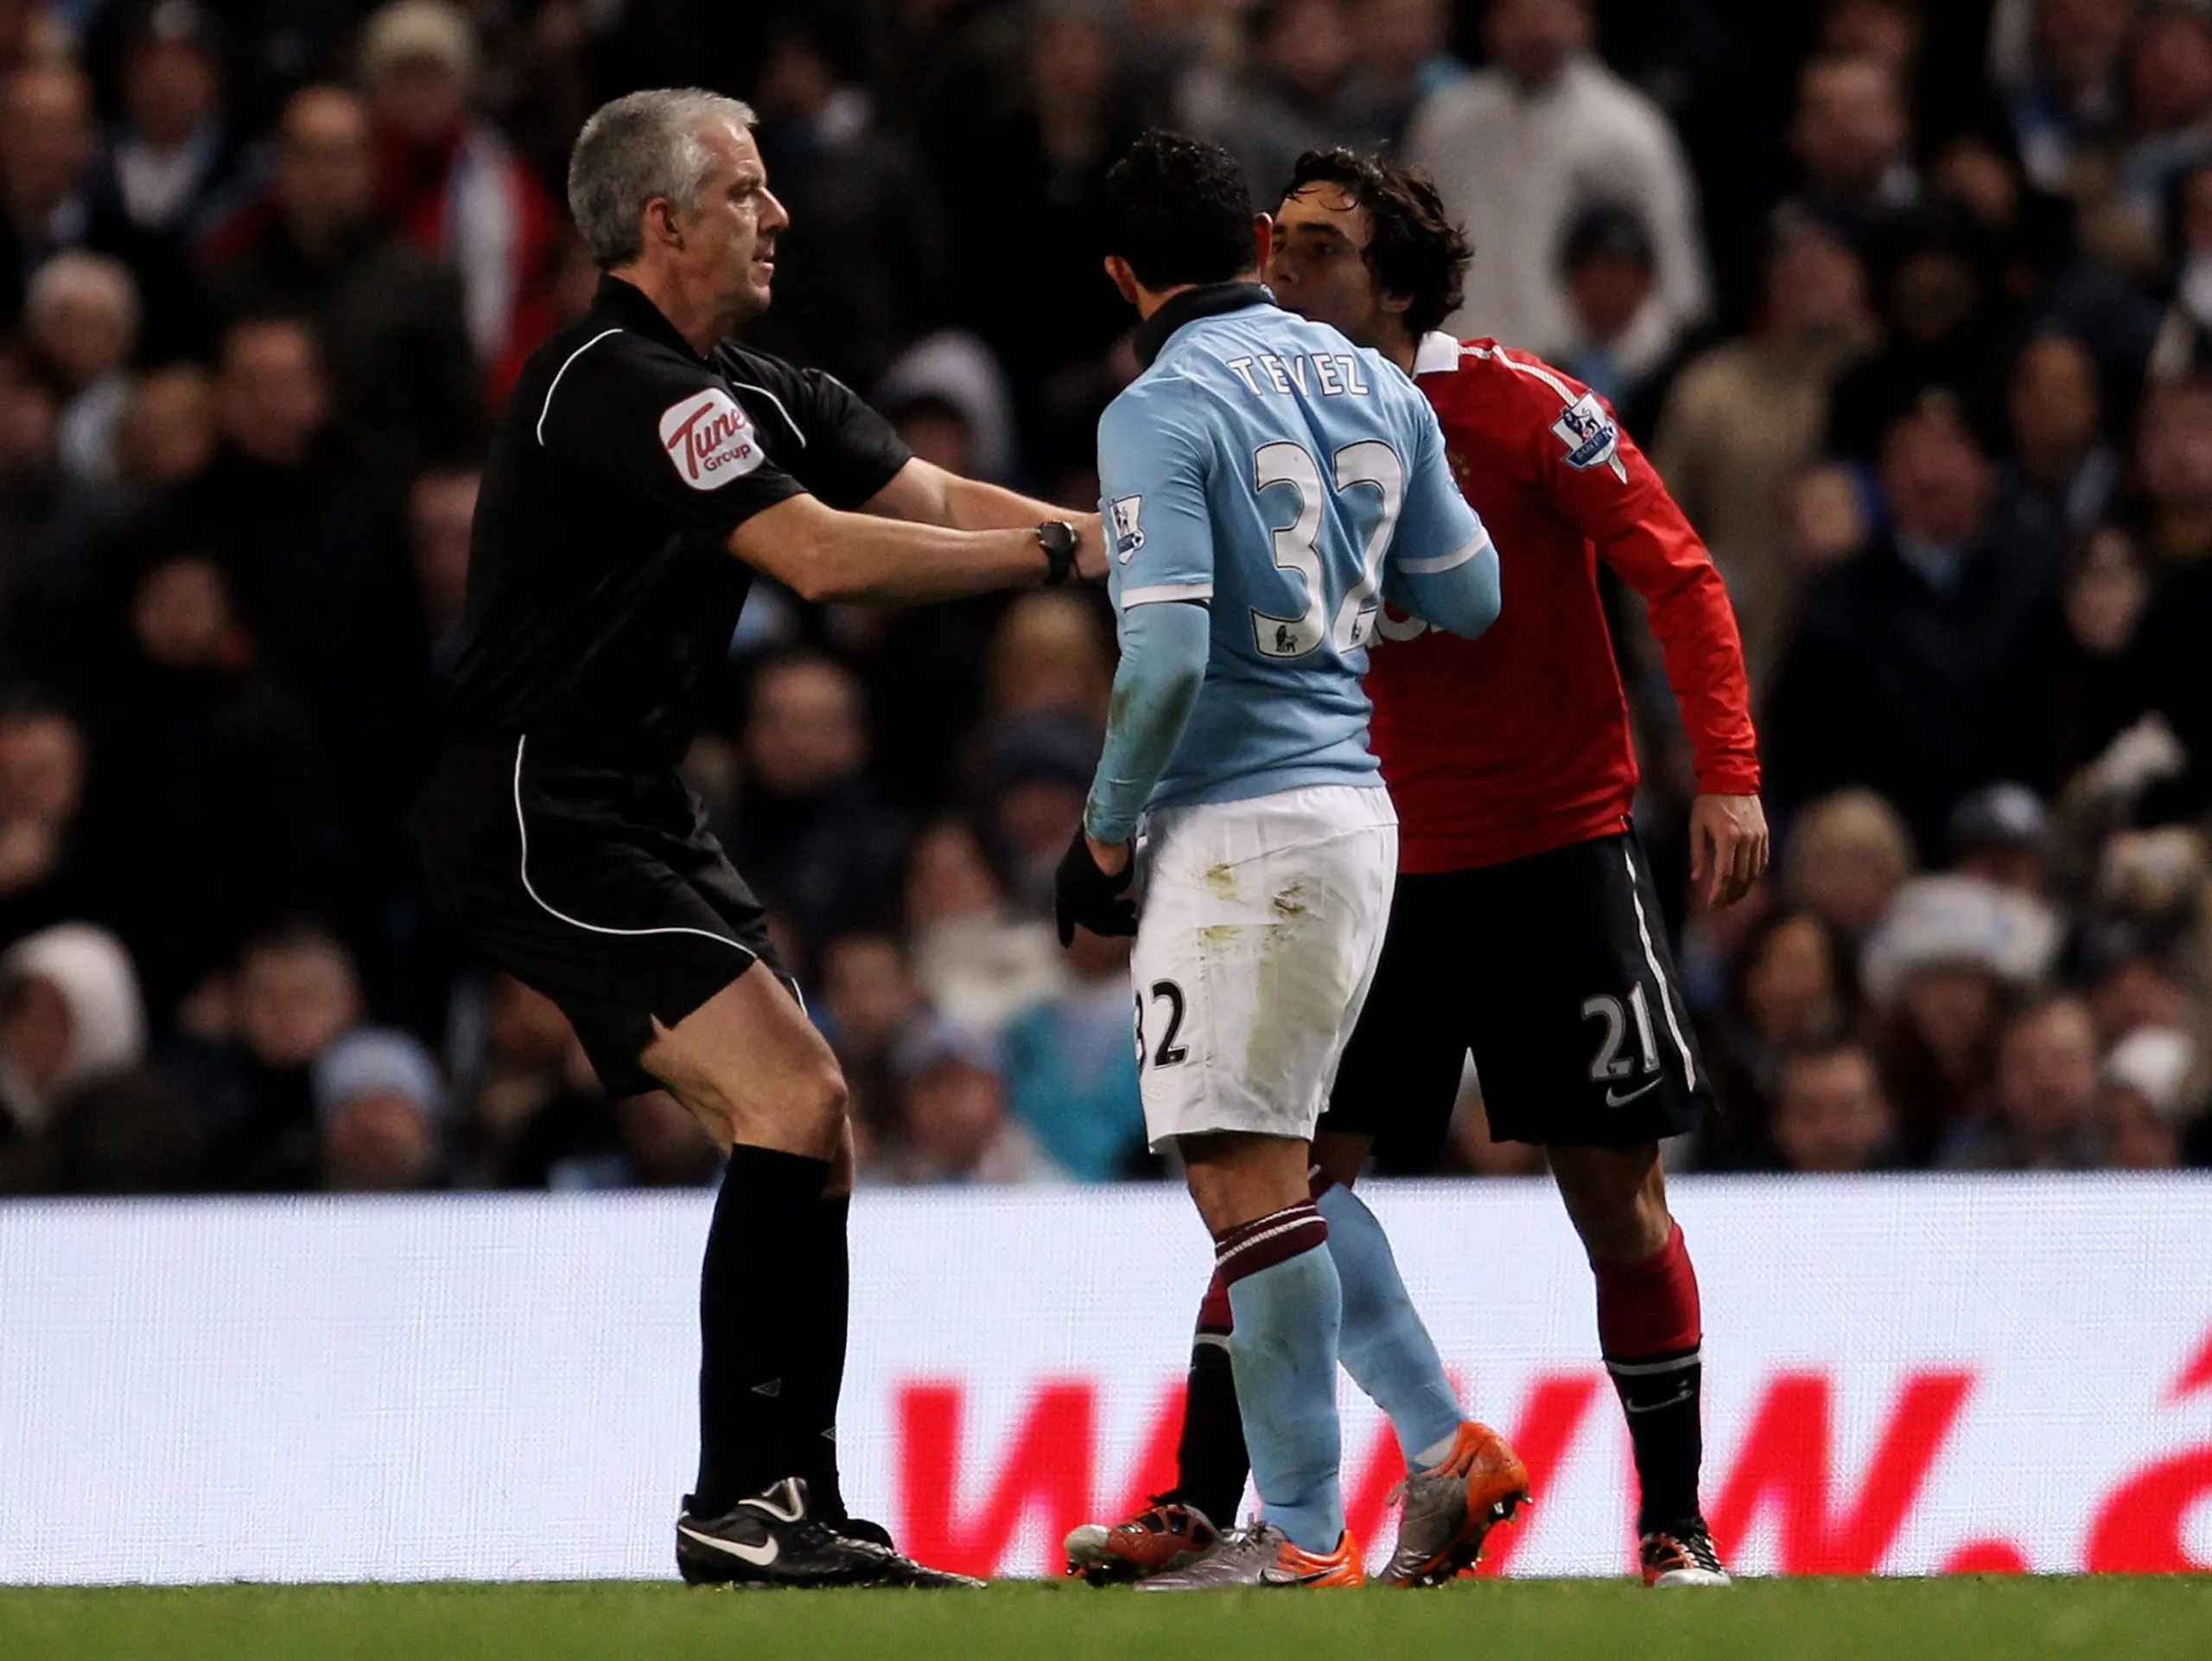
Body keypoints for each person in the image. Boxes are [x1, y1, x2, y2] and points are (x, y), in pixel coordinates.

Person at [411, 87, 1105, 1591]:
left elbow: (921, 493)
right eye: (744, 191)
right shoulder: (612, 377)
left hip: (641, 807)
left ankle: (792, 1497)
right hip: (536, 809)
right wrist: (1063, 550)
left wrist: (1110, 532)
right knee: (791, 1090)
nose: (777, 213)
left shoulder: (760, 389)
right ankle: (740, 1500)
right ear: (661, 223)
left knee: (817, 1124)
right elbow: (824, 556)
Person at [1070, 147, 1765, 1591]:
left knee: (1612, 1190)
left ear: (1397, 278)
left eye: (1320, 249)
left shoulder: (1521, 406)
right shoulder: (1283, 398)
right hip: (1379, 857)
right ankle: (1215, 1500)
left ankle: (1673, 1525)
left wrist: (1732, 772)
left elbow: (1680, 572)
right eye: (1282, 242)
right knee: (1275, 1170)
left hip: (1553, 850)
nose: (1285, 268)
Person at [1054, 130, 1509, 1593]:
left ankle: (1307, 1537)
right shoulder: (1375, 378)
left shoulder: (1157, 407)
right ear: (1258, 235)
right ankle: (1439, 1453)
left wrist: (1107, 825)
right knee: (1286, 1171)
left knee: (1247, 1184)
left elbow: (1169, 649)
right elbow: (1471, 590)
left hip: (1241, 833)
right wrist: (1337, 607)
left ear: (1126, 273)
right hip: (1355, 809)